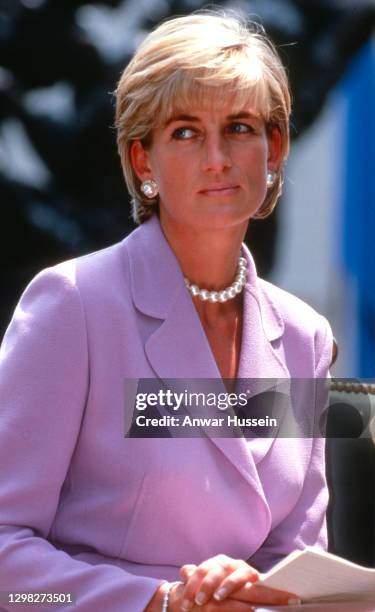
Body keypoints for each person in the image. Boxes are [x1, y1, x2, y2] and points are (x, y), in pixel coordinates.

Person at [0, 11, 334, 612]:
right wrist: (160, 601)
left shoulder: (305, 337)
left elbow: (301, 566)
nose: (217, 157)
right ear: (142, 161)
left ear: (274, 147)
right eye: (184, 131)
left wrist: (250, 592)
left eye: (239, 127)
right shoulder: (72, 305)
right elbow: (6, 572)